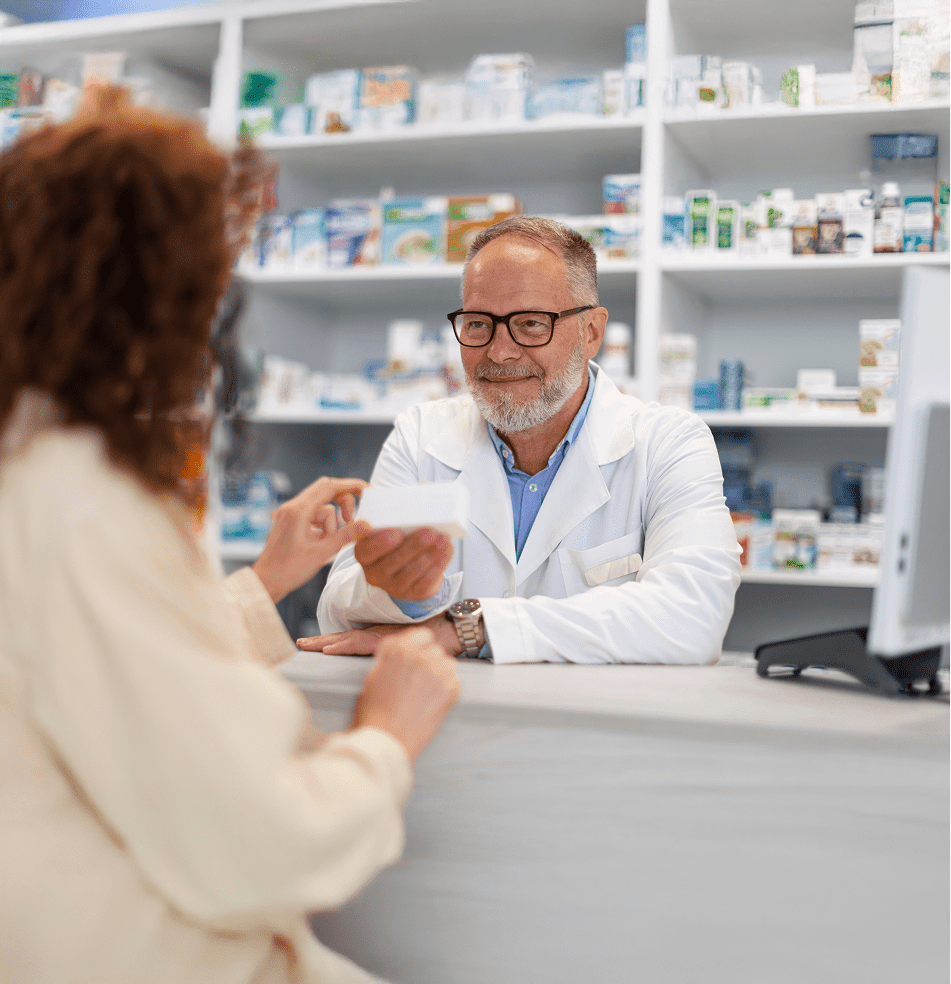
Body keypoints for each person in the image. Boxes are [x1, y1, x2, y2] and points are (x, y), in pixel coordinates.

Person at [0, 86, 460, 984]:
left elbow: (96, 673)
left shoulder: (31, 468)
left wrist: (264, 582)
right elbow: (258, 840)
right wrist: (384, 737)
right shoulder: (86, 501)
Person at [306, 215, 742, 664]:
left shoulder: (669, 444)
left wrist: (466, 627)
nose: (499, 351)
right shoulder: (420, 436)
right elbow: (339, 608)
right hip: (447, 718)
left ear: (591, 332)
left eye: (531, 323)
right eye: (477, 324)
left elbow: (693, 616)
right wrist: (400, 595)